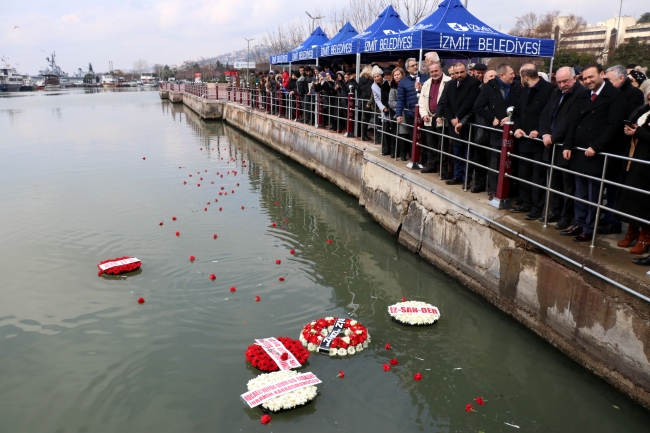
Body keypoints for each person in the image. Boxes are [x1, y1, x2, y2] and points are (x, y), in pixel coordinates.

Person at [561, 63, 626, 242]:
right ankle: (580, 223)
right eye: (585, 78)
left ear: (602, 74)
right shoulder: (583, 95)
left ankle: (589, 227)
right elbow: (573, 122)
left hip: (597, 153)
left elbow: (614, 125)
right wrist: (567, 145)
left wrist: (596, 146)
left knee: (593, 194)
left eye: (591, 77)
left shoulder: (615, 96)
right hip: (580, 151)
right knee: (580, 192)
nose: (588, 81)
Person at [538, 66, 588, 230]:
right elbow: (545, 114)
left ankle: (567, 216)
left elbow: (570, 119)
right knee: (553, 182)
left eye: (565, 81)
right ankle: (555, 210)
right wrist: (544, 133)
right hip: (550, 144)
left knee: (568, 185)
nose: (562, 85)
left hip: (565, 145)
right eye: (559, 82)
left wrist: (554, 137)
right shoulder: (555, 92)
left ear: (574, 78)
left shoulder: (580, 93)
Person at [600, 65, 645, 235]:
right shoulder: (611, 92)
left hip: (620, 146)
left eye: (609, 80)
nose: (607, 83)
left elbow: (628, 118)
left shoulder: (633, 94)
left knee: (615, 185)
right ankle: (608, 215)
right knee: (608, 184)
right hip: (609, 144)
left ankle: (614, 220)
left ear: (621, 78)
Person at [511, 64, 555, 220]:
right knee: (524, 173)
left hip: (538, 142)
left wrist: (539, 130)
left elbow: (550, 115)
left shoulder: (550, 90)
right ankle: (526, 202)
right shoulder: (524, 90)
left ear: (526, 77)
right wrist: (517, 128)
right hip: (523, 139)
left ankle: (537, 207)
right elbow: (517, 112)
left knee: (538, 176)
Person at [473, 63, 522, 200]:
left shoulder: (517, 87)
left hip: (513, 131)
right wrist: (492, 119)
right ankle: (494, 190)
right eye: (511, 73)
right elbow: (478, 107)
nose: (514, 75)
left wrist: (511, 117)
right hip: (496, 131)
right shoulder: (489, 87)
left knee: (511, 162)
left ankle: (509, 190)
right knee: (495, 161)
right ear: (502, 75)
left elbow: (522, 107)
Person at [616, 88, 650, 261]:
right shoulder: (644, 110)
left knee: (644, 201)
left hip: (646, 163)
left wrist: (638, 132)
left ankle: (645, 237)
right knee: (631, 197)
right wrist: (630, 129)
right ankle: (632, 232)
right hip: (634, 157)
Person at [436, 62, 481, 185]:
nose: (459, 75)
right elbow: (445, 102)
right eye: (457, 73)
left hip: (467, 123)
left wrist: (458, 117)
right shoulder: (449, 84)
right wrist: (451, 119)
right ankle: (458, 176)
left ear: (466, 70)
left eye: (462, 72)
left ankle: (467, 177)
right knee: (457, 151)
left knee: (468, 153)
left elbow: (470, 102)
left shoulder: (474, 83)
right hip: (453, 123)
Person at [466, 69, 497, 194]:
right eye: (490, 76)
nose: (492, 78)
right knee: (479, 160)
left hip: (493, 131)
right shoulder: (478, 91)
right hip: (479, 129)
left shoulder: (500, 91)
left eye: (495, 76)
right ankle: (479, 184)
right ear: (484, 79)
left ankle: (491, 187)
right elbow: (472, 109)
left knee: (492, 161)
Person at [418, 62, 451, 174]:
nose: (434, 73)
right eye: (431, 71)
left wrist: (441, 114)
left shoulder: (448, 81)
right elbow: (422, 102)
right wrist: (423, 115)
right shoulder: (426, 83)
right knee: (430, 143)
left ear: (441, 69)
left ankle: (443, 169)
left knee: (443, 145)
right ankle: (431, 165)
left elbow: (448, 102)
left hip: (441, 118)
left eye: (436, 71)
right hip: (429, 117)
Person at [396, 59, 427, 161]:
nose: (415, 67)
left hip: (425, 113)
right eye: (412, 65)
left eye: (416, 64)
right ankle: (414, 158)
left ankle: (424, 159)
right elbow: (400, 99)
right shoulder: (403, 82)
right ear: (407, 68)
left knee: (425, 138)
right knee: (413, 136)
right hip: (411, 113)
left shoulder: (426, 78)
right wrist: (398, 114)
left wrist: (422, 88)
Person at [389, 67, 408, 159]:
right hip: (396, 114)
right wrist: (401, 105)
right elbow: (391, 102)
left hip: (408, 114)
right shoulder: (393, 88)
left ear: (402, 75)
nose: (396, 77)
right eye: (395, 75)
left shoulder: (407, 85)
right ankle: (396, 153)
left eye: (398, 74)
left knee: (406, 134)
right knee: (397, 134)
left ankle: (405, 153)